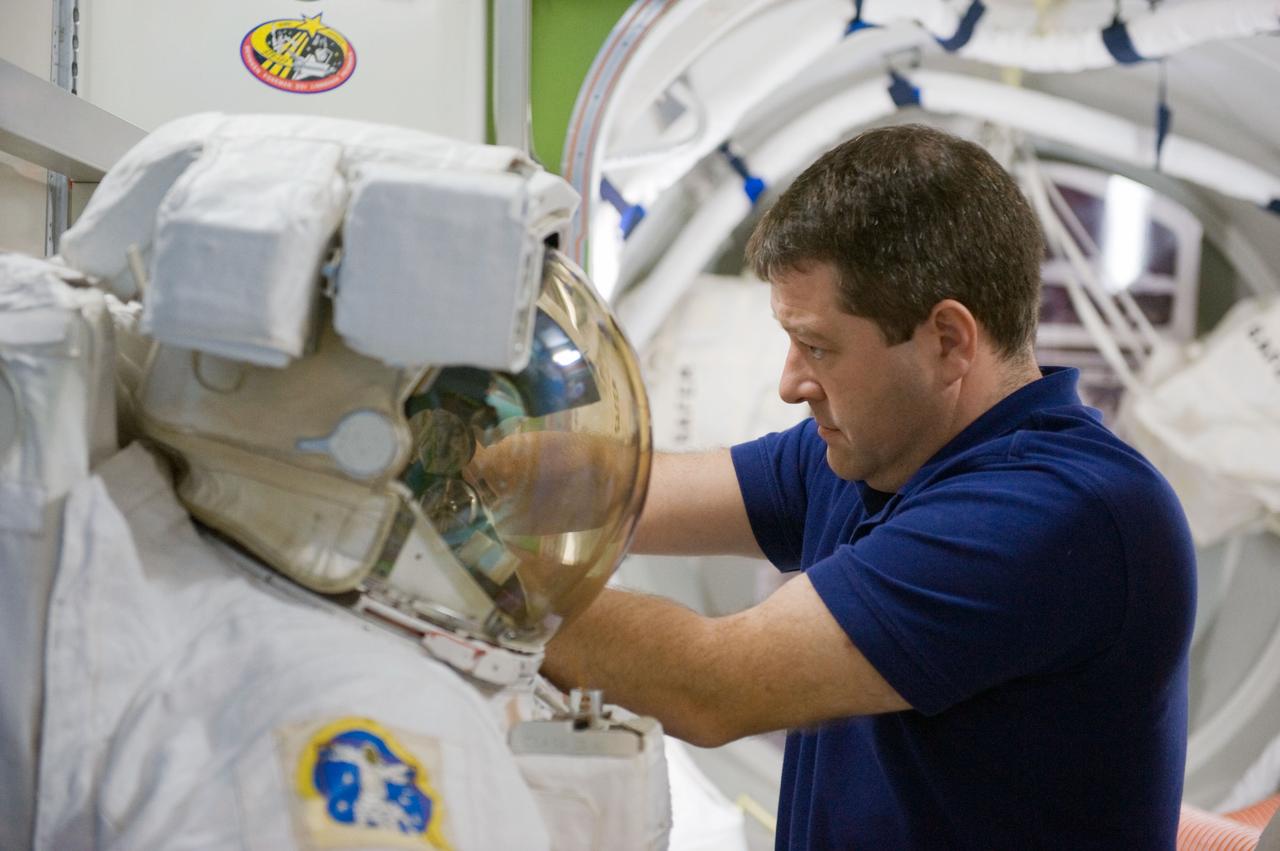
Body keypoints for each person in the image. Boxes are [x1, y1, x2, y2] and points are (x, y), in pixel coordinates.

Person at [0, 113, 669, 851]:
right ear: (341, 443)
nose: (466, 476)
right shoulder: (357, 704)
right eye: (442, 432)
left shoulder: (163, 543)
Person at [543, 123, 1198, 849]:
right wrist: (465, 461)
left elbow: (709, 684)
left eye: (818, 346)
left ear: (948, 340)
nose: (791, 383)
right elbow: (626, 492)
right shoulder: (875, 453)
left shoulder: (1061, 514)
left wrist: (477, 581)